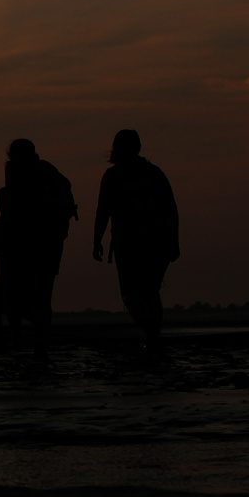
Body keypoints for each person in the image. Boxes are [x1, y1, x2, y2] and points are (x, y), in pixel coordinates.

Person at [92, 129, 180, 350]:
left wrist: (97, 241)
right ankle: (152, 338)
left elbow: (103, 211)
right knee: (150, 291)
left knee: (131, 292)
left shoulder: (113, 176)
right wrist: (174, 240)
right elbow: (172, 209)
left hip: (129, 242)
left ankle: (150, 334)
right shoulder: (154, 172)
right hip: (157, 240)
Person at [0, 139, 76, 355]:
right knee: (43, 296)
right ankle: (41, 342)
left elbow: (12, 206)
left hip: (22, 241)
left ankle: (18, 340)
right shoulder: (49, 170)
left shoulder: (15, 168)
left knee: (12, 295)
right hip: (51, 241)